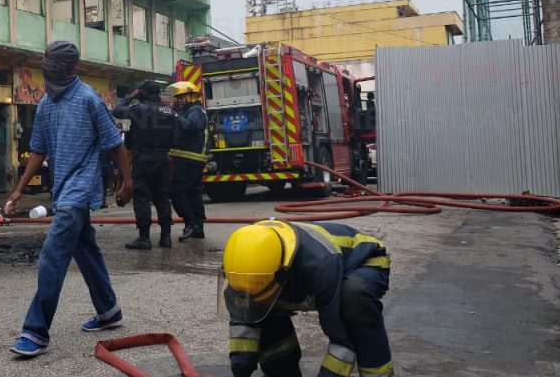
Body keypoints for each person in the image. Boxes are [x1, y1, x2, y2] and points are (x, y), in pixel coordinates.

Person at [4, 40, 134, 358]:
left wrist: (128, 182)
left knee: (53, 254)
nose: (47, 68)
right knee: (84, 249)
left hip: (80, 190)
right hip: (62, 189)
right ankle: (109, 310)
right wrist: (19, 189)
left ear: (67, 67)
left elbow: (115, 145)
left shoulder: (89, 99)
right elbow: (39, 150)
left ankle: (36, 331)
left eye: (52, 62)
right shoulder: (46, 104)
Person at [222, 219, 393, 377]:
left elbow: (342, 341)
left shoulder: (319, 265)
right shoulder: (244, 271)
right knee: (263, 307)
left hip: (362, 260)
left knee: (354, 298)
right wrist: (240, 370)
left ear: (283, 272)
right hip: (296, 273)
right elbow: (245, 324)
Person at [112, 80, 175, 250]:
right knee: (162, 197)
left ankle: (144, 238)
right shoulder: (169, 112)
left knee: (142, 198)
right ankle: (166, 236)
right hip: (163, 158)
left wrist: (130, 96)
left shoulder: (136, 110)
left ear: (142, 93)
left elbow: (116, 110)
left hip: (143, 159)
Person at [168, 80, 208, 241]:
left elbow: (189, 126)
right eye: (177, 98)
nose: (178, 100)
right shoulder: (191, 110)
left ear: (191, 96)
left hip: (188, 159)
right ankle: (198, 227)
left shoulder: (196, 111)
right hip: (189, 159)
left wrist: (174, 115)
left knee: (177, 192)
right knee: (193, 193)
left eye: (182, 97)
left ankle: (190, 222)